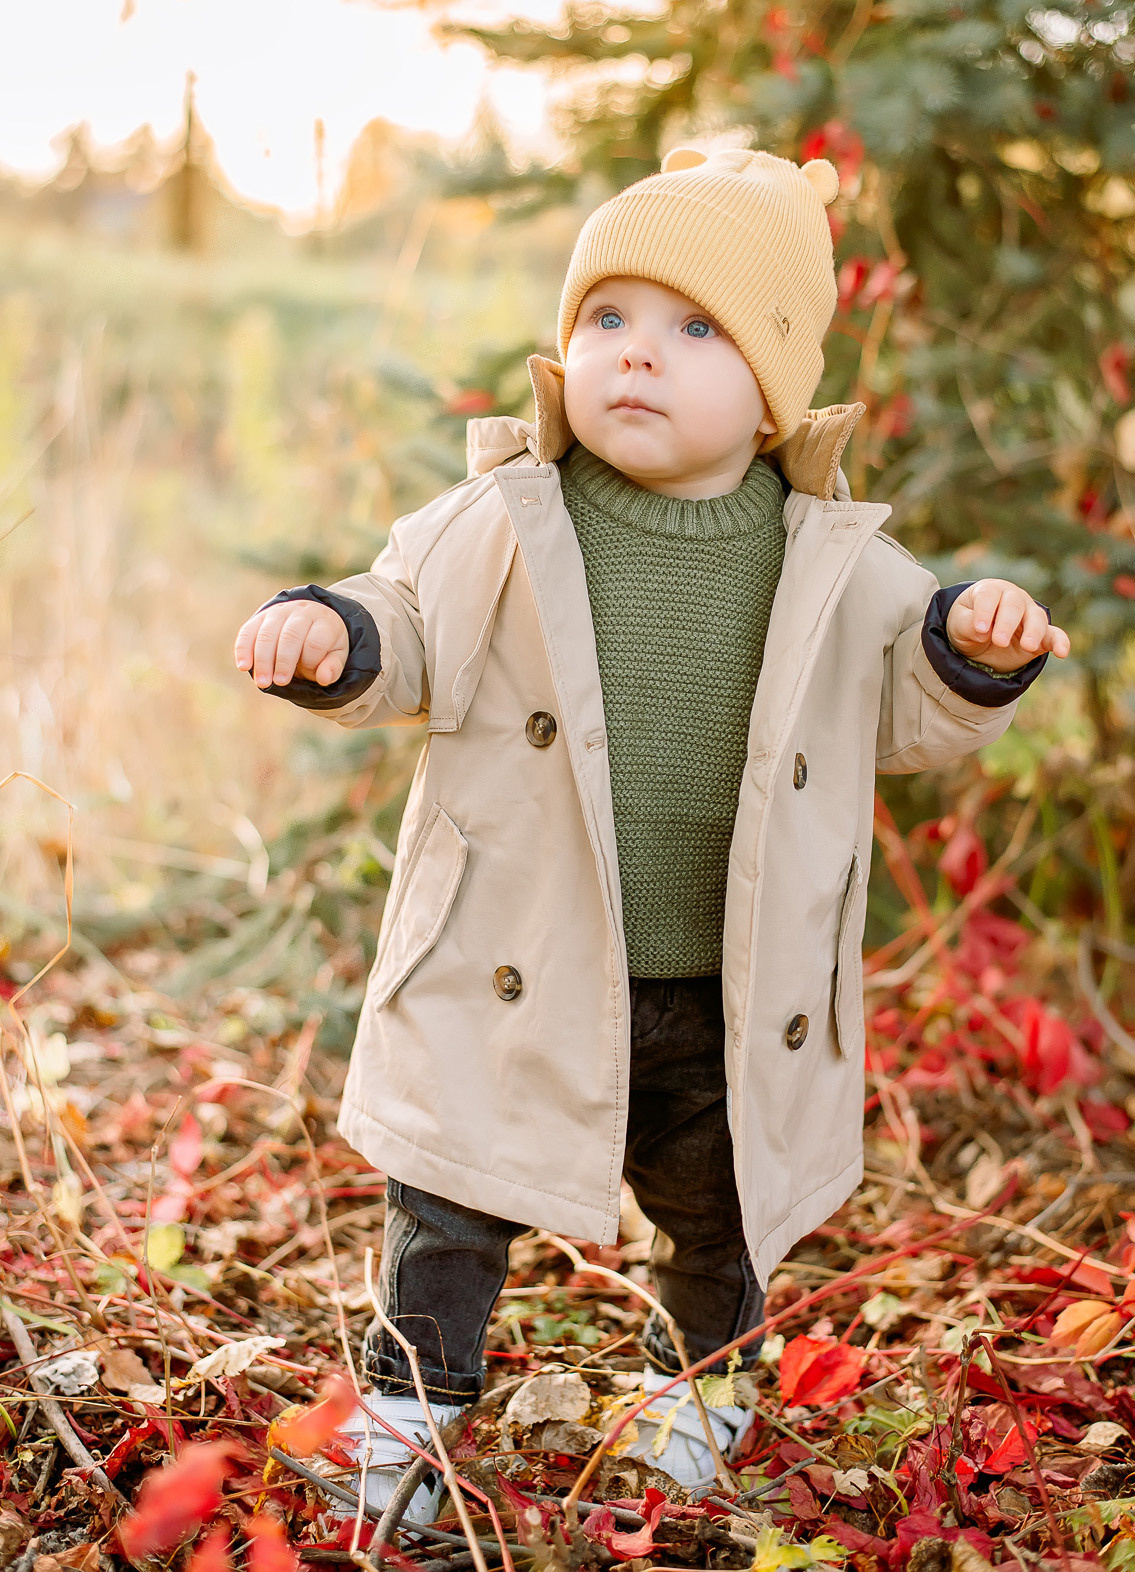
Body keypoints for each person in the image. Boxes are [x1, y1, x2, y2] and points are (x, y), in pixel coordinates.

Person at [234, 147, 1069, 1516]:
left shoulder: (832, 555)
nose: (638, 356)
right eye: (608, 318)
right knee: (449, 1194)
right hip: (519, 948)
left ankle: (698, 1388)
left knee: (719, 1210)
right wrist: (333, 633)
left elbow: (907, 711)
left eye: (695, 330)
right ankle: (411, 1410)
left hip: (725, 987)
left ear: (772, 393)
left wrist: (970, 648)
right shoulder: (503, 517)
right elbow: (404, 615)